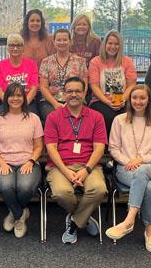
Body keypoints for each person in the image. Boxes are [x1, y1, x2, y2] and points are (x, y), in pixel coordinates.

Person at [44, 76, 107, 244]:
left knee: (99, 189)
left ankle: (74, 222)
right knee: (62, 193)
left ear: (84, 93)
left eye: (78, 91)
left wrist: (86, 170)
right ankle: (84, 219)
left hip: (89, 166)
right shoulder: (53, 117)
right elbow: (51, 148)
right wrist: (66, 171)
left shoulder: (96, 116)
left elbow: (99, 148)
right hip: (60, 166)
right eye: (69, 91)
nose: (74, 94)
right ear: (63, 94)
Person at [106, 84, 151, 253]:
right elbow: (114, 148)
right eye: (134, 98)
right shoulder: (119, 120)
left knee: (142, 173)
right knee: (148, 186)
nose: (138, 101)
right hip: (125, 168)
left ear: (148, 100)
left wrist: (140, 160)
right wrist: (128, 162)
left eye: (142, 98)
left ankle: (129, 220)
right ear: (129, 100)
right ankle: (150, 230)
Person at [0, 83, 44, 238]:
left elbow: (39, 146)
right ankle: (20, 214)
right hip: (3, 162)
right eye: (12, 95)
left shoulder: (34, 118)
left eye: (19, 95)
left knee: (25, 187)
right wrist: (2, 163)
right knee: (6, 186)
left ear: (24, 98)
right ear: (6, 98)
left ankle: (13, 213)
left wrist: (31, 161)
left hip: (28, 161)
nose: (15, 98)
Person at [89, 30, 137, 135]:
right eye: (110, 43)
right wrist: (108, 102)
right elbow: (94, 86)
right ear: (105, 44)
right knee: (109, 116)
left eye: (116, 44)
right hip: (100, 101)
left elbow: (131, 85)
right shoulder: (95, 61)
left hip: (123, 100)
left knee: (127, 116)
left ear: (120, 46)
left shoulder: (127, 61)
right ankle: (106, 148)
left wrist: (121, 100)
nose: (113, 46)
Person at [39, 28, 88, 122]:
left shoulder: (80, 61)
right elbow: (43, 87)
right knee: (54, 117)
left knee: (75, 117)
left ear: (70, 42)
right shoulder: (46, 62)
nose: (62, 42)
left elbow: (84, 87)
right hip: (51, 101)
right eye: (59, 40)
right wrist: (55, 104)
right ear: (54, 42)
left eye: (65, 40)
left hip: (76, 98)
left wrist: (71, 102)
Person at [0, 34, 39, 114]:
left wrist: (23, 103)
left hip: (27, 102)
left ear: (23, 48)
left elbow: (34, 88)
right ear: (7, 48)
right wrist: (10, 104)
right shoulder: (0, 65)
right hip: (6, 102)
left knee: (32, 117)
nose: (15, 48)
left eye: (19, 45)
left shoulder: (32, 64)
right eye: (12, 45)